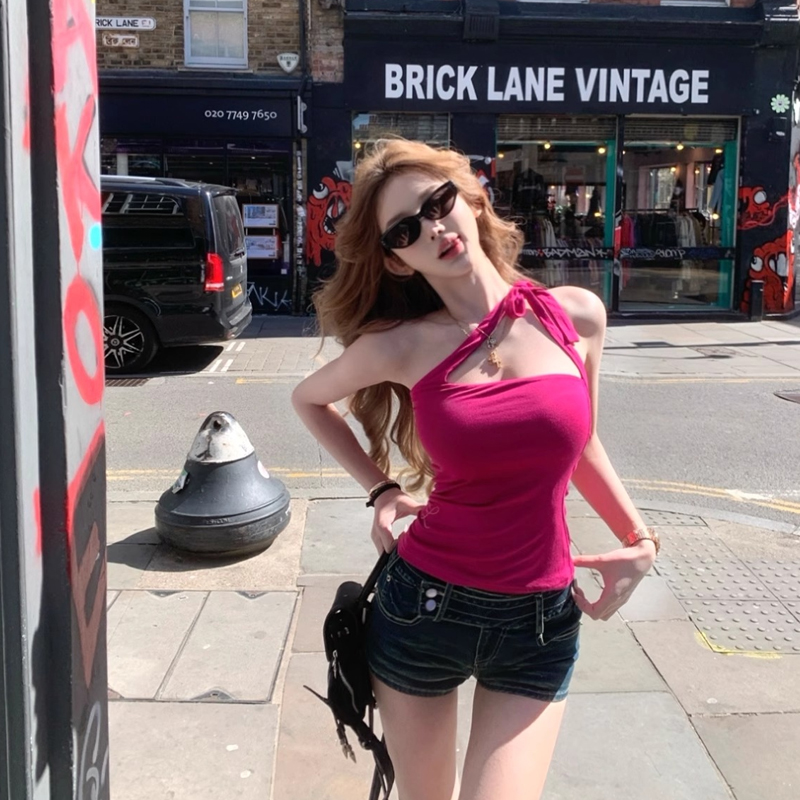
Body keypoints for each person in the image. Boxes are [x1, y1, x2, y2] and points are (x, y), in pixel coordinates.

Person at [292, 139, 658, 800]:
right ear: (395, 259)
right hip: (424, 611)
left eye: (438, 203)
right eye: (406, 230)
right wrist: (382, 489)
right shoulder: (402, 345)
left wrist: (640, 540)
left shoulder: (576, 316)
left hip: (540, 622)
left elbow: (581, 445)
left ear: (472, 198)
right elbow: (309, 400)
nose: (432, 228)